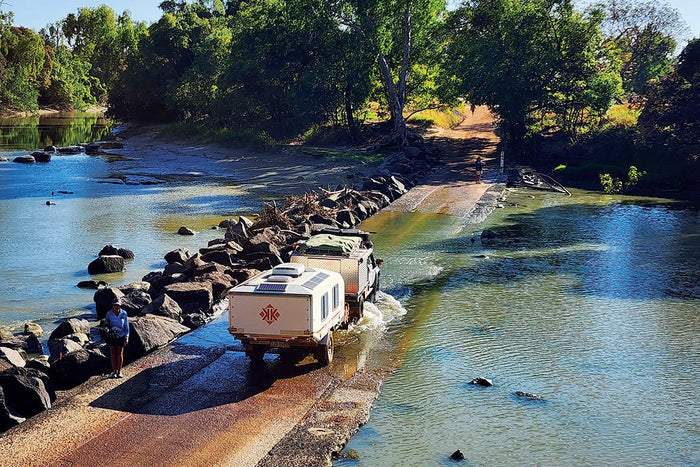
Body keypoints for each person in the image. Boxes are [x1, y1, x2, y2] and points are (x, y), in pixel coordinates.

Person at [105, 297, 129, 378]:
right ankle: (114, 371)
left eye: (118, 305)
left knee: (120, 354)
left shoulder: (124, 313)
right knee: (113, 354)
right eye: (115, 305)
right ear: (113, 305)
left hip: (121, 336)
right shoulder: (108, 313)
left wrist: (127, 337)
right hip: (111, 336)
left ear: (120, 305)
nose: (116, 307)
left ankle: (119, 371)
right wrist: (106, 328)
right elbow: (106, 323)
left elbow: (126, 326)